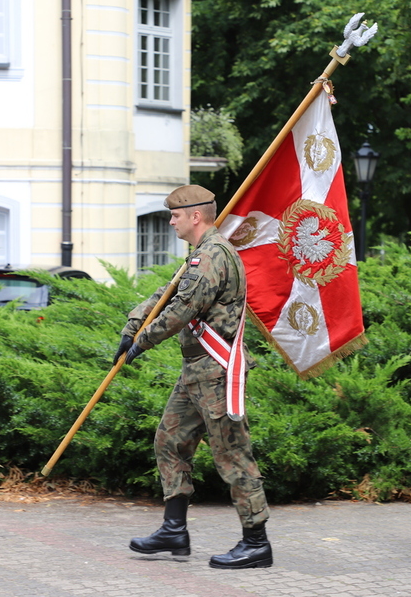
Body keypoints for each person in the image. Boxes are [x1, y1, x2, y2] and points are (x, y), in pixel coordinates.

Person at [114, 185, 272, 569]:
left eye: (175, 216)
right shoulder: (199, 255)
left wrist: (142, 343)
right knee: (169, 442)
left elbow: (182, 310)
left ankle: (256, 542)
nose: (171, 222)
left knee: (233, 455)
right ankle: (174, 530)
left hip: (216, 373)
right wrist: (131, 325)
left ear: (195, 216)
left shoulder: (215, 256)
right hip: (195, 373)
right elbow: (164, 295)